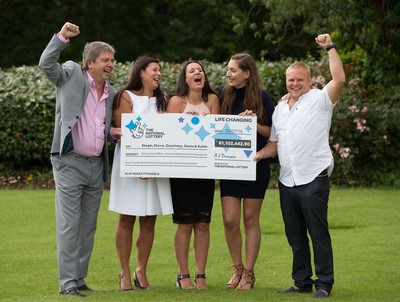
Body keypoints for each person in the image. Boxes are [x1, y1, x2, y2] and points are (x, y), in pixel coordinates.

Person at [254, 34, 345, 298]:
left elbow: (339, 79)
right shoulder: (280, 108)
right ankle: (301, 281)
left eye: (299, 79)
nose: (295, 83)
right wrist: (260, 155)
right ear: (286, 81)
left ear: (308, 81)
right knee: (295, 237)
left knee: (318, 234)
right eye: (291, 79)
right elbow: (276, 143)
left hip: (313, 179)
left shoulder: (320, 100)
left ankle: (324, 283)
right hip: (287, 181)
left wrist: (330, 47)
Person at [39, 22, 119, 297]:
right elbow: (46, 64)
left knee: (87, 227)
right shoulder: (71, 73)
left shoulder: (111, 92)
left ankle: (79, 278)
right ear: (90, 63)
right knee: (69, 225)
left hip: (96, 166)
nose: (111, 65)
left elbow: (99, 126)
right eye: (106, 60)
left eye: (112, 61)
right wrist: (62, 38)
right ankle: (67, 283)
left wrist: (113, 132)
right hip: (69, 162)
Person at [109, 56, 174, 291]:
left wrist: (152, 165)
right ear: (141, 72)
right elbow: (125, 132)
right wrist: (140, 165)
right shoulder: (125, 97)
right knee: (126, 218)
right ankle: (124, 272)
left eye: (160, 70)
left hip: (156, 169)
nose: (159, 74)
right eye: (155, 69)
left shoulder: (164, 100)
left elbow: (170, 132)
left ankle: (141, 270)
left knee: (149, 220)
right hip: (130, 166)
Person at [219, 53, 275, 290]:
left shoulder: (262, 97)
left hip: (254, 166)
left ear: (247, 73)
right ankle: (237, 268)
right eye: (228, 70)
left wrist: (254, 122)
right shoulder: (223, 94)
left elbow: (272, 134)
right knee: (230, 220)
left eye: (233, 70)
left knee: (250, 219)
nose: (228, 74)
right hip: (229, 167)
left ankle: (249, 274)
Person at [166, 60, 220, 289]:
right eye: (192, 71)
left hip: (205, 171)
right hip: (181, 172)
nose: (198, 73)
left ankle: (201, 275)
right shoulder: (176, 102)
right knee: (185, 224)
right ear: (185, 79)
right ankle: (182, 274)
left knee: (203, 223)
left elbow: (218, 133)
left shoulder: (213, 100)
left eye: (200, 70)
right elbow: (169, 135)